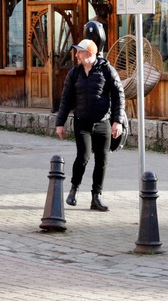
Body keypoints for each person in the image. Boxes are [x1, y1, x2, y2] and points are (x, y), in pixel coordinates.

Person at [54, 38, 125, 212]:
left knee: (102, 161)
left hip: (103, 123)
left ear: (90, 54)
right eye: (77, 52)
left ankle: (96, 197)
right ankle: (74, 189)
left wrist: (118, 121)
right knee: (83, 156)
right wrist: (60, 124)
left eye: (80, 52)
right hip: (82, 123)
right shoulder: (74, 73)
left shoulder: (107, 70)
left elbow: (119, 96)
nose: (76, 55)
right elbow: (66, 100)